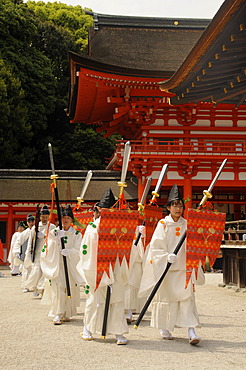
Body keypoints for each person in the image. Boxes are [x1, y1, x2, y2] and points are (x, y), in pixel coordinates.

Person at [139, 184, 204, 345]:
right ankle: (164, 327)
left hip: (183, 269)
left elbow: (194, 245)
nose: (178, 209)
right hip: (166, 269)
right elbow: (155, 247)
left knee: (187, 299)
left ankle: (191, 330)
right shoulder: (163, 224)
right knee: (166, 299)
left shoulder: (187, 224)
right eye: (174, 205)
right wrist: (166, 257)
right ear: (168, 207)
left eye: (180, 205)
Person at [77, 188, 129, 345]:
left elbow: (126, 248)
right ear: (99, 209)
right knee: (95, 300)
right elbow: (85, 250)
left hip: (115, 268)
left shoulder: (121, 226)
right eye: (104, 209)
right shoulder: (92, 227)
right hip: (97, 267)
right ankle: (88, 328)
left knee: (117, 299)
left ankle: (118, 331)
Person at [41, 205, 82, 325]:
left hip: (70, 265)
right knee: (58, 288)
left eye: (68, 218)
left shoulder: (76, 234)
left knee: (69, 288)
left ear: (72, 220)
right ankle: (57, 313)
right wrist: (56, 241)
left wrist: (69, 252)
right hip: (58, 264)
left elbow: (78, 249)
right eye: (64, 217)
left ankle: (66, 312)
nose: (65, 220)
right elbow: (47, 247)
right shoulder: (55, 232)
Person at [23, 205, 55, 296]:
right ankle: (35, 287)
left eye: (46, 217)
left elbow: (54, 239)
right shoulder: (35, 227)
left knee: (45, 271)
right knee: (36, 271)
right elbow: (30, 241)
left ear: (48, 216)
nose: (44, 219)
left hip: (47, 252)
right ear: (40, 217)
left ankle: (42, 289)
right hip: (37, 252)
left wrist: (45, 236)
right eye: (42, 217)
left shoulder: (52, 227)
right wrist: (29, 252)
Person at [14, 214, 35, 289]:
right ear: (27, 223)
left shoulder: (37, 231)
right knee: (26, 270)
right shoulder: (24, 233)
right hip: (26, 254)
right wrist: (17, 252)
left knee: (35, 270)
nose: (31, 223)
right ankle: (25, 286)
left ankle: (34, 286)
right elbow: (18, 242)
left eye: (32, 221)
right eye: (29, 222)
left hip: (36, 254)